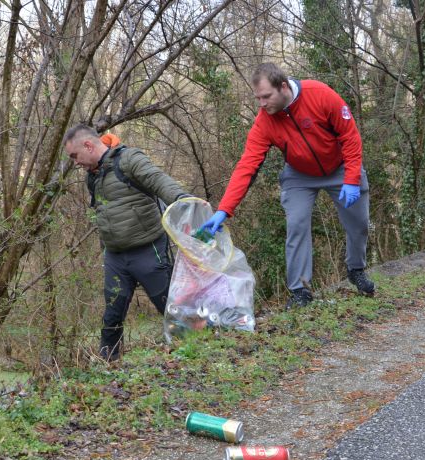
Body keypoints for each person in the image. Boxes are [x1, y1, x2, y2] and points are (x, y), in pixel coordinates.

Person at [200, 63, 375, 308]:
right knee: (297, 224)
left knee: (358, 223)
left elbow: (350, 136)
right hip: (299, 175)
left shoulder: (320, 94)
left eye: (266, 96)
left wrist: (352, 178)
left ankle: (356, 269)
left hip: (340, 167)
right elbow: (247, 167)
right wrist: (223, 210)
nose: (262, 103)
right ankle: (300, 291)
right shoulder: (264, 122)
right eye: (258, 98)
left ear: (283, 87)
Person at [64, 125, 191, 361]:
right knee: (112, 315)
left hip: (148, 249)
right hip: (115, 257)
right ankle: (108, 365)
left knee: (170, 307)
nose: (75, 163)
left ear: (88, 145)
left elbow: (158, 181)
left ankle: (199, 349)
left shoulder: (129, 159)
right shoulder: (93, 176)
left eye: (74, 156)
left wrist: (184, 201)